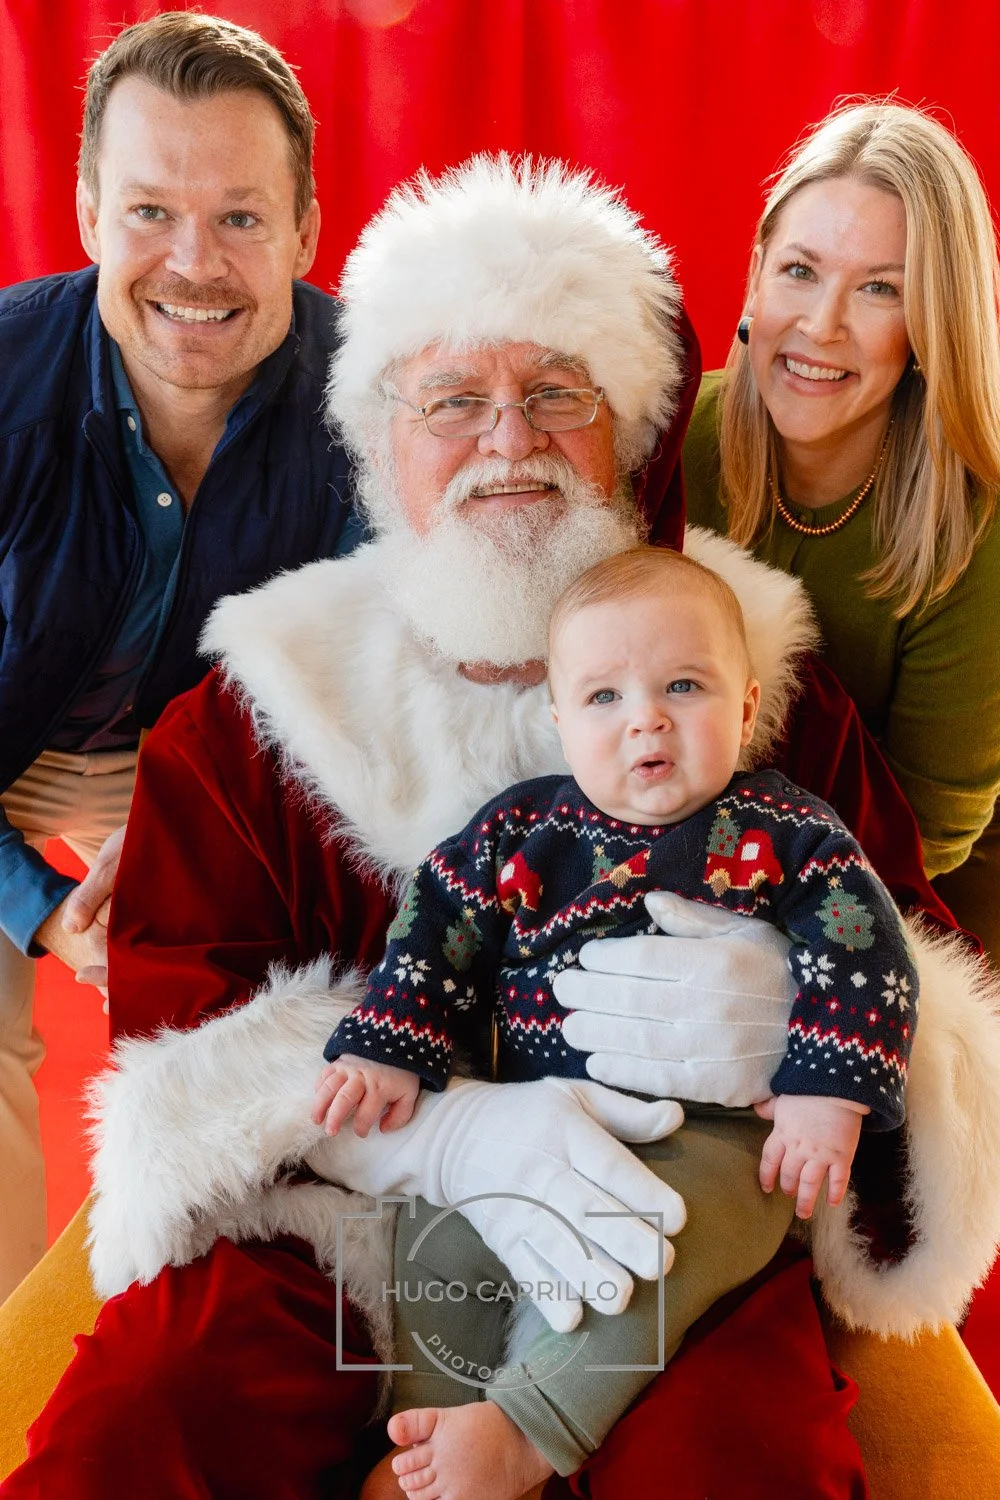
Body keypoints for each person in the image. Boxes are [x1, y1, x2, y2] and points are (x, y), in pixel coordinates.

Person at [5, 156, 999, 1500]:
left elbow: (929, 1004)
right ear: (379, 442)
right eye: (454, 400)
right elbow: (180, 1045)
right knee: (140, 1426)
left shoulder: (763, 679)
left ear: (636, 430)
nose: (508, 442)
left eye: (555, 394)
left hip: (663, 1244)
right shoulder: (256, 710)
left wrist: (804, 1020)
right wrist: (437, 1135)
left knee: (739, 1462)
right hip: (330, 1241)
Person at [316, 545, 917, 1500]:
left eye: (684, 684)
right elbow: (435, 928)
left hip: (710, 1134)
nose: (646, 717)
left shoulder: (784, 831)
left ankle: (529, 1425)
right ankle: (431, 1426)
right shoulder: (521, 834)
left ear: (748, 707)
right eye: (603, 697)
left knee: (672, 1243)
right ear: (558, 719)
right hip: (528, 1113)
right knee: (446, 1241)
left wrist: (824, 1086)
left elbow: (865, 950)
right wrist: (392, 1040)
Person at [0, 9, 368, 1299]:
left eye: (242, 217)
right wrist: (41, 910)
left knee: (262, 1035)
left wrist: (178, 856)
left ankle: (219, 1323)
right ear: (91, 213)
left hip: (217, 766)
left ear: (307, 233)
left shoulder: (377, 397)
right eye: (151, 210)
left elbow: (360, 700)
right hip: (10, 738)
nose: (193, 262)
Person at [682, 101, 1000, 960]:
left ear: (930, 325)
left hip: (903, 896)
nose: (821, 325)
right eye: (799, 271)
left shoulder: (975, 519)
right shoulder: (668, 441)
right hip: (677, 861)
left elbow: (935, 826)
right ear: (754, 275)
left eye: (879, 289)